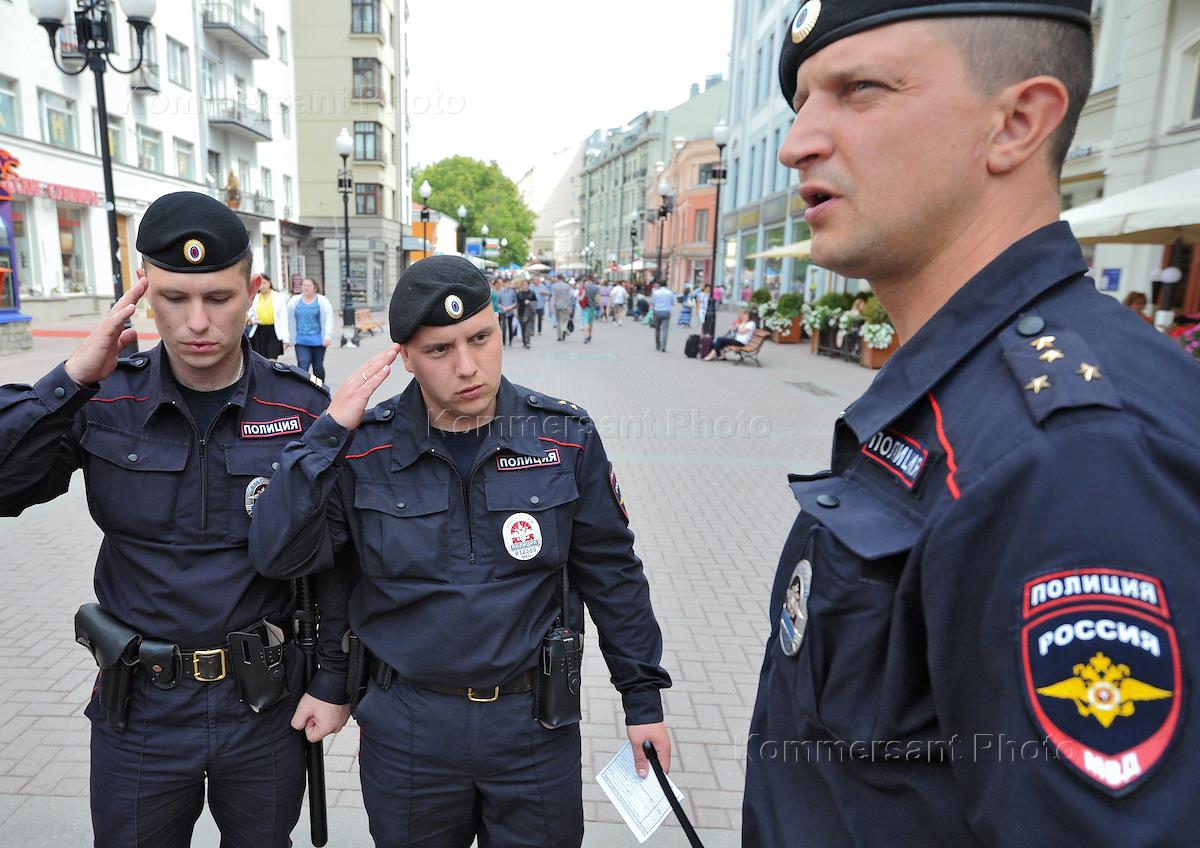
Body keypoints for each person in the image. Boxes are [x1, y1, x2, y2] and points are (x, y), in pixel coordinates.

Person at [744, 2, 1200, 846]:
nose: (797, 142)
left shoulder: (1075, 452)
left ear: (1018, 123)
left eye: (860, 90)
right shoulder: (958, 394)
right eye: (802, 102)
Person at [248, 255, 674, 848]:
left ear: (499, 327)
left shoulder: (563, 437)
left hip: (533, 725)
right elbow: (286, 559)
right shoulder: (363, 449)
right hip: (408, 727)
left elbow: (612, 574)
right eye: (440, 350)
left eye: (480, 338)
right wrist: (326, 434)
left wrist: (641, 698)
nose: (468, 367)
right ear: (405, 357)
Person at [0, 191, 343, 847]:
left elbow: (335, 556)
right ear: (143, 296)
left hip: (263, 707)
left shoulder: (300, 410)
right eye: (174, 299)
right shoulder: (106, 397)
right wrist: (71, 376)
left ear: (250, 293)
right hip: (141, 712)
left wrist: (331, 679)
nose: (196, 322)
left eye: (217, 298)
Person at [287, 277, 334, 382]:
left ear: (315, 287)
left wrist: (328, 336)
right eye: (304, 285)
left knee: (318, 366)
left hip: (318, 340)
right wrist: (288, 337)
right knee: (302, 365)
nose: (306, 288)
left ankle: (320, 388)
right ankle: (303, 389)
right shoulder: (294, 301)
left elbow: (328, 319)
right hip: (300, 340)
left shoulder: (322, 301)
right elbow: (289, 319)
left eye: (309, 285)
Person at [247, 272, 288, 359]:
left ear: (269, 283)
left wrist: (286, 338)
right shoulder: (255, 297)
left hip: (274, 330)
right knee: (259, 358)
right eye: (260, 283)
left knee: (272, 358)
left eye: (264, 282)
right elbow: (249, 311)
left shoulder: (278, 297)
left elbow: (283, 317)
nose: (262, 286)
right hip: (259, 330)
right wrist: (252, 319)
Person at [650, 280, 675, 352]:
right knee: (665, 330)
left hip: (657, 311)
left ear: (660, 285)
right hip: (666, 312)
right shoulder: (670, 293)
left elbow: (653, 303)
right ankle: (664, 346)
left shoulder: (655, 293)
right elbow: (673, 303)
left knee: (657, 329)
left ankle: (658, 345)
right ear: (666, 285)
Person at [515, 277, 538, 349]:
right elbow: (517, 303)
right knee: (523, 328)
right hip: (521, 313)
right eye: (523, 285)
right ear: (521, 286)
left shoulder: (532, 293)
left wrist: (529, 302)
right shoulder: (519, 294)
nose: (525, 286)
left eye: (526, 284)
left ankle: (528, 342)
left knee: (528, 329)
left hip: (530, 313)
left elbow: (535, 302)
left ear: (528, 285)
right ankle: (525, 341)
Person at [552, 275, 575, 341]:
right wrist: (569, 306)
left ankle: (560, 336)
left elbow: (554, 297)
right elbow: (569, 296)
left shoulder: (554, 286)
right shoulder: (567, 286)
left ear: (557, 278)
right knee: (564, 319)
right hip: (565, 305)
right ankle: (564, 329)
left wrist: (553, 305)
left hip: (557, 305)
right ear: (563, 278)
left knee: (558, 320)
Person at [496, 277, 517, 347]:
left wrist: (510, 307)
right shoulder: (500, 293)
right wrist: (503, 307)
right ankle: (504, 342)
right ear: (504, 284)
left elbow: (515, 302)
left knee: (510, 326)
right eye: (508, 283)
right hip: (503, 312)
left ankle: (510, 340)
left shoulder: (512, 292)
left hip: (510, 312)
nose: (509, 285)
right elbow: (497, 303)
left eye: (510, 283)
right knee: (504, 327)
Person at [578, 277, 598, 344]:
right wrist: (601, 306)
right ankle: (589, 335)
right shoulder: (596, 288)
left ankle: (586, 337)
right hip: (592, 307)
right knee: (591, 322)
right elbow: (597, 298)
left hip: (585, 307)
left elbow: (581, 298)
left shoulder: (584, 288)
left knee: (586, 322)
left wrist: (580, 299)